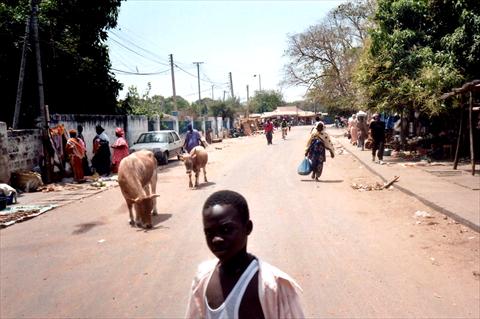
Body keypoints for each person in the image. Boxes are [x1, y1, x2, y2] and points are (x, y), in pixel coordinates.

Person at [185, 190, 304, 318]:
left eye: (226, 230)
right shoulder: (203, 279)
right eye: (209, 233)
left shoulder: (271, 286)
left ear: (248, 228)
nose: (216, 239)